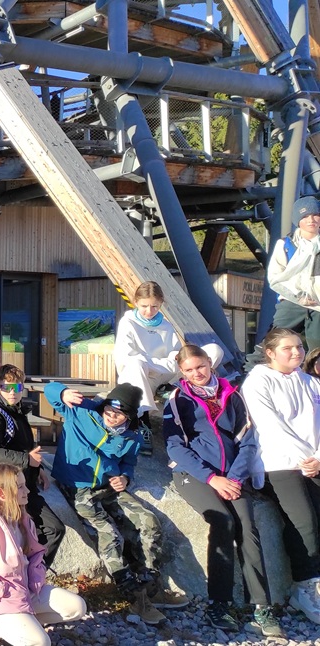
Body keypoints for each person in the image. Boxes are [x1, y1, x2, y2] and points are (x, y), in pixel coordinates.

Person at [163, 344, 282, 635]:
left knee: (247, 526)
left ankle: (261, 606)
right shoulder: (178, 400)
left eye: (200, 366)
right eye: (189, 370)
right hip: (194, 475)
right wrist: (212, 478)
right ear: (182, 372)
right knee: (223, 521)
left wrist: (235, 477)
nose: (197, 373)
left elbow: (247, 441)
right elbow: (175, 447)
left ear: (210, 363)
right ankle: (219, 603)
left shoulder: (231, 394)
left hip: (232, 476)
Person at [46, 381, 186, 625]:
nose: (111, 417)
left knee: (148, 522)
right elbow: (50, 391)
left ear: (128, 417)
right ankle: (134, 597)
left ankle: (150, 587)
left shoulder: (132, 437)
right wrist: (62, 392)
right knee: (108, 533)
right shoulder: (82, 411)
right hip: (77, 486)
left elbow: (128, 463)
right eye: (109, 411)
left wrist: (125, 477)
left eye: (118, 414)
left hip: (109, 487)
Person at [0, 463, 88, 646]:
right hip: (0, 597)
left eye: (25, 485)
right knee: (41, 642)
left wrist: (36, 576)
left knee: (78, 607)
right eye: (20, 487)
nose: (27, 491)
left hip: (25, 590)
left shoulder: (23, 518)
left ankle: (24, 624)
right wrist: (1, 588)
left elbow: (34, 555)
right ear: (2, 493)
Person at [241, 327, 320, 625]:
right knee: (304, 522)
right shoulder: (258, 382)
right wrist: (305, 459)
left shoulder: (311, 383)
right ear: (270, 353)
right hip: (279, 463)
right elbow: (271, 425)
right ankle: (305, 587)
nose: (297, 352)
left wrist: (317, 457)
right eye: (288, 348)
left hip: (314, 461)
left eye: (299, 346)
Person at [112, 281, 223, 456]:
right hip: (142, 375)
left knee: (214, 350)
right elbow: (126, 356)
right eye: (144, 306)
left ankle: (178, 387)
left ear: (161, 304)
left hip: (166, 372)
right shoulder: (128, 323)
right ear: (136, 302)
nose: (149, 311)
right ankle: (142, 420)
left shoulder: (166, 324)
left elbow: (177, 354)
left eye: (155, 306)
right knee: (136, 363)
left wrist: (166, 362)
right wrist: (156, 362)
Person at [0, 364, 65, 568]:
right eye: (6, 387)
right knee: (19, 537)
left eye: (16, 387)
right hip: (4, 487)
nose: (12, 392)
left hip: (23, 483)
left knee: (50, 530)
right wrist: (26, 460)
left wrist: (37, 469)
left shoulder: (17, 411)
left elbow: (24, 445)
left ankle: (33, 574)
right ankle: (26, 574)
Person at [265, 195, 320, 351]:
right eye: (305, 216)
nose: (311, 220)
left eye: (316, 215)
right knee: (277, 340)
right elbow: (274, 278)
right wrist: (298, 297)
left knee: (317, 346)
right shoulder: (286, 244)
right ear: (297, 220)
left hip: (318, 304)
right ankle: (252, 366)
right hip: (291, 301)